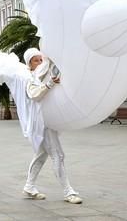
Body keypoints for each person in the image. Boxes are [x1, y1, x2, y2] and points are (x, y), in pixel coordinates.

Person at [22, 48, 82, 204]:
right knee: (58, 155)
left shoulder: (44, 74)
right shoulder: (29, 77)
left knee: (41, 155)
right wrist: (49, 84)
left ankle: (29, 186)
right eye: (36, 60)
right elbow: (34, 95)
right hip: (42, 123)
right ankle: (68, 192)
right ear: (29, 64)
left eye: (41, 59)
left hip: (47, 120)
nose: (40, 62)